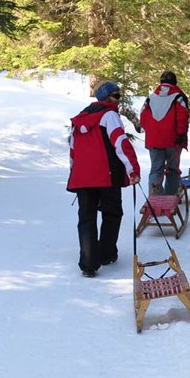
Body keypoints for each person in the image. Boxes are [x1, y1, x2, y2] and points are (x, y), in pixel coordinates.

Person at [67, 81, 141, 278]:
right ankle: (107, 254)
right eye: (116, 96)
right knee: (112, 213)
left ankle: (89, 263)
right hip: (106, 175)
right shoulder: (109, 115)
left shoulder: (80, 118)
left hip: (83, 177)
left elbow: (73, 150)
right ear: (107, 98)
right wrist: (132, 169)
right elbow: (120, 142)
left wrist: (74, 171)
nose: (118, 99)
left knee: (86, 218)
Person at [139, 71, 190, 196]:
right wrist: (181, 135)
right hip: (173, 140)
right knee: (172, 170)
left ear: (161, 82)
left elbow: (143, 118)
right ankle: (171, 198)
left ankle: (155, 198)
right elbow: (183, 117)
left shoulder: (150, 98)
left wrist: (152, 132)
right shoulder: (179, 97)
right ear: (175, 82)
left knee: (156, 169)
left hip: (154, 141)